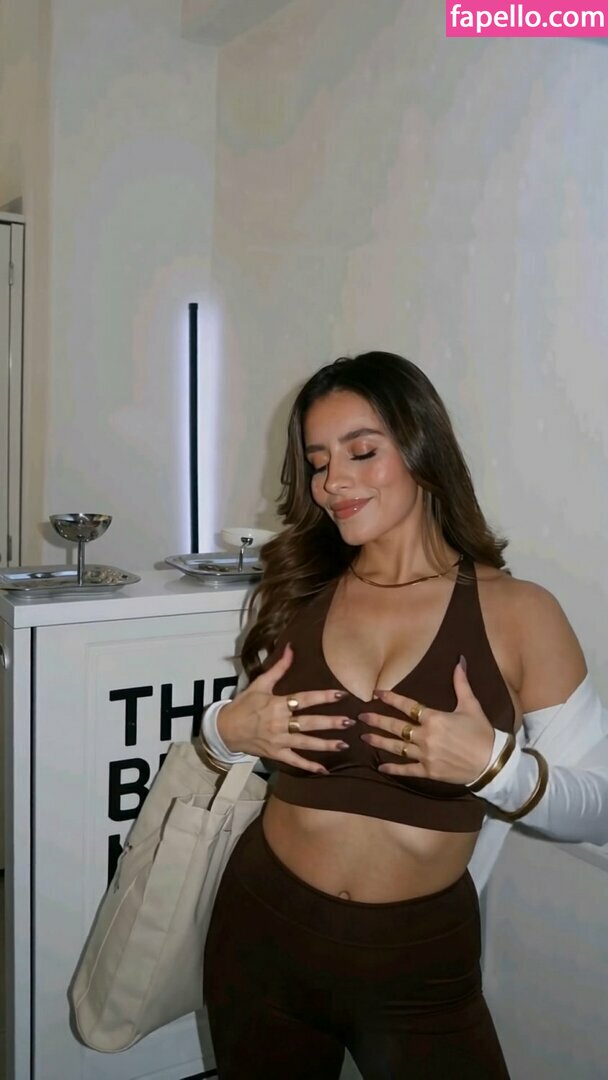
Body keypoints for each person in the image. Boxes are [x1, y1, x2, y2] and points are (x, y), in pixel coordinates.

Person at [200, 352, 608, 1080]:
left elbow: (601, 808)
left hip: (419, 964)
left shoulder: (520, 613)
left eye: (361, 451)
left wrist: (496, 769)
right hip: (262, 930)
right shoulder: (297, 592)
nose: (334, 481)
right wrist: (226, 732)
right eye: (318, 463)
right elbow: (235, 733)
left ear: (422, 449)